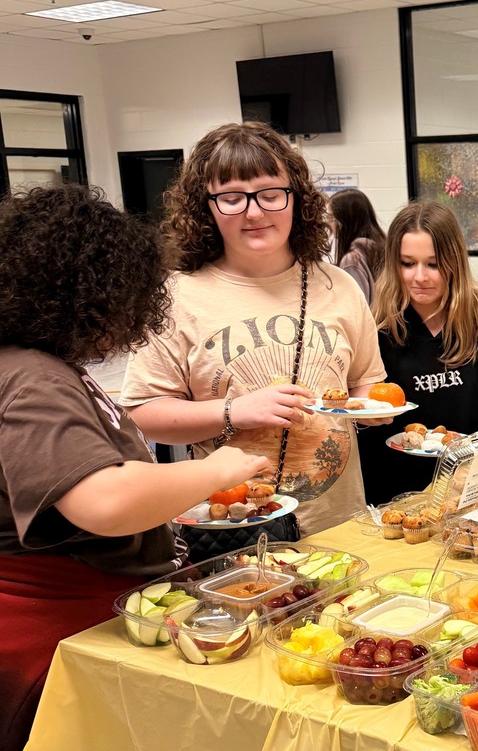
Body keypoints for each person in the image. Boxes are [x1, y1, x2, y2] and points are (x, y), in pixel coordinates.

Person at [0, 183, 268, 751]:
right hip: (51, 632)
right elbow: (104, 500)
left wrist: (179, 502)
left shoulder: (36, 363)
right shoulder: (33, 377)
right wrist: (220, 468)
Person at [121, 122, 388, 536]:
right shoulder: (177, 296)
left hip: (340, 524)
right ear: (205, 207)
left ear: (296, 199)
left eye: (270, 194)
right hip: (235, 525)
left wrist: (373, 410)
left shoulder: (339, 286)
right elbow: (145, 414)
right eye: (232, 198)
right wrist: (234, 412)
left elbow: (365, 384)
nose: (254, 211)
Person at [358, 202, 478, 504]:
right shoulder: (376, 338)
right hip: (396, 502)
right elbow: (356, 427)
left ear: (455, 263)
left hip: (477, 497)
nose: (419, 276)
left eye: (433, 264)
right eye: (408, 264)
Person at [329, 188, 386, 304]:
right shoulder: (382, 247)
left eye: (331, 218)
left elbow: (357, 309)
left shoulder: (352, 260)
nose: (328, 223)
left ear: (343, 221)